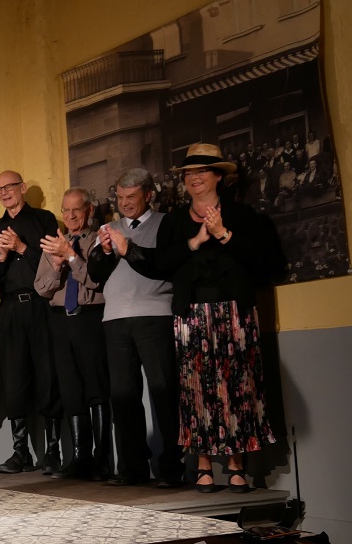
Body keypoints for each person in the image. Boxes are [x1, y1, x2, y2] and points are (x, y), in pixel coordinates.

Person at [105, 144, 286, 493]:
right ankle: (203, 465)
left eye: (201, 172)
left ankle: (236, 466)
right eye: (188, 174)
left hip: (233, 312)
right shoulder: (174, 222)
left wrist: (223, 235)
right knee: (195, 392)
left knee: (237, 389)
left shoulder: (243, 216)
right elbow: (162, 264)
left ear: (218, 175)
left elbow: (265, 263)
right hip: (190, 315)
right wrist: (191, 241)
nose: (193, 179)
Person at [86, 169, 183, 488]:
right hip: (114, 319)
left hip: (154, 315)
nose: (125, 203)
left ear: (148, 195)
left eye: (132, 197)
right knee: (123, 396)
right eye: (120, 197)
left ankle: (171, 468)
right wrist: (103, 252)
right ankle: (132, 468)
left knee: (163, 391)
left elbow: (166, 266)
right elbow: (97, 275)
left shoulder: (166, 223)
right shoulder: (108, 228)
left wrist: (129, 249)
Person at [0, 170, 62, 474]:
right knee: (14, 378)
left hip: (42, 306)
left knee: (48, 374)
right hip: (10, 310)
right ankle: (21, 453)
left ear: (23, 188)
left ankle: (53, 452)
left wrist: (20, 248)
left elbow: (54, 265)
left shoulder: (43, 220)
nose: (4, 192)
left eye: (9, 187)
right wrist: (2, 258)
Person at [36, 188, 111, 480]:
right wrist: (57, 263)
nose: (70, 216)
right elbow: (42, 288)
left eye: (76, 210)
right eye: (65, 211)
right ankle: (80, 456)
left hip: (90, 319)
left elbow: (95, 280)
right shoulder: (54, 244)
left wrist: (71, 257)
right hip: (60, 321)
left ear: (89, 210)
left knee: (96, 387)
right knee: (70, 388)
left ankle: (102, 460)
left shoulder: (97, 240)